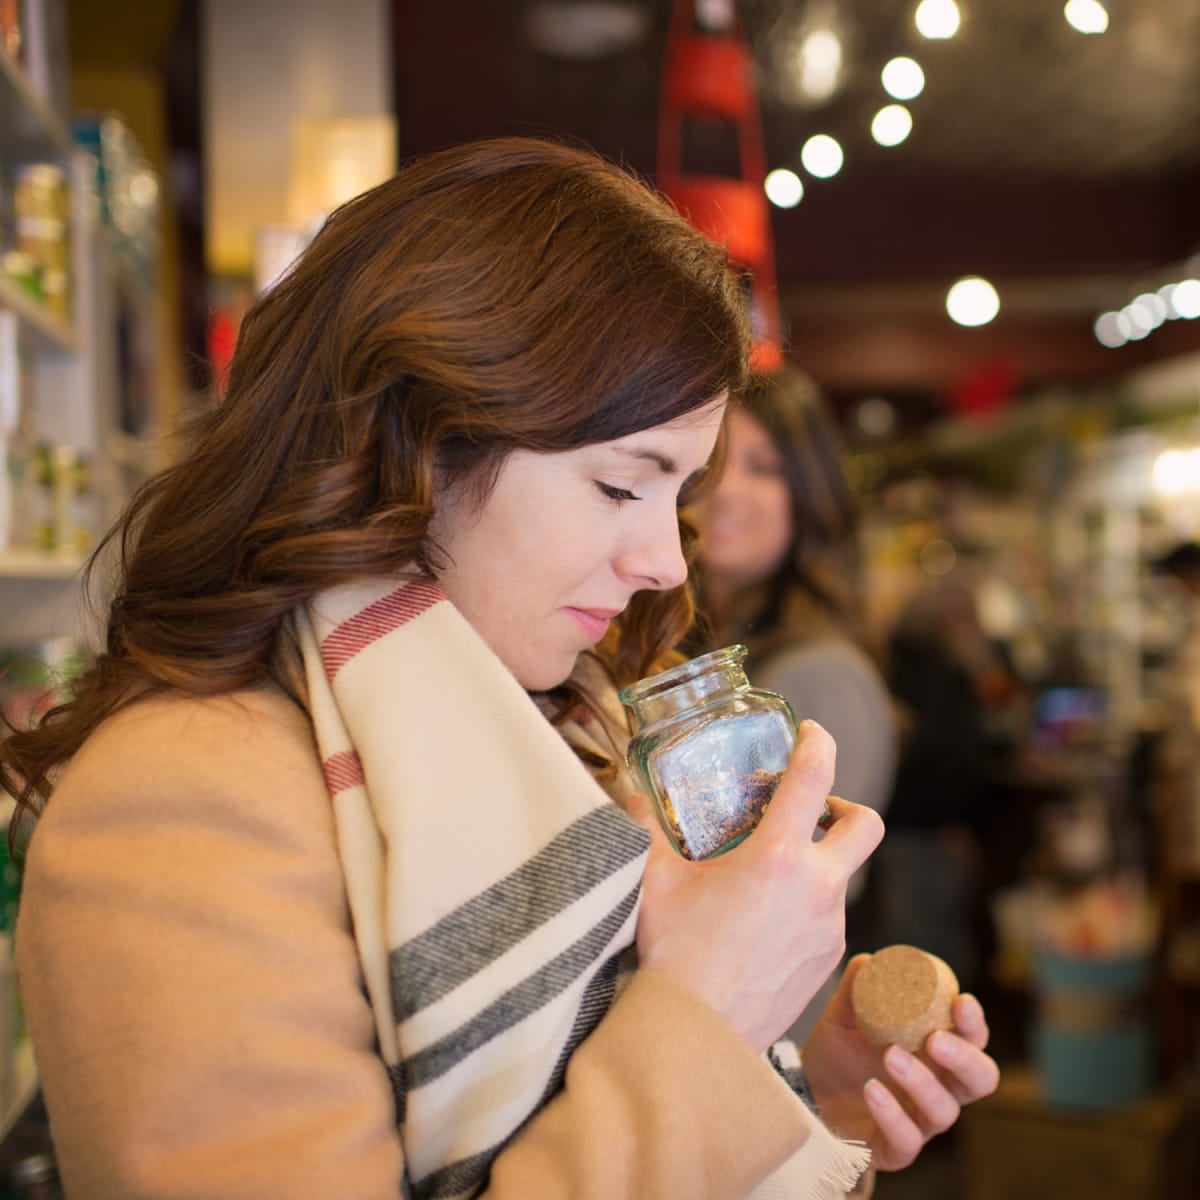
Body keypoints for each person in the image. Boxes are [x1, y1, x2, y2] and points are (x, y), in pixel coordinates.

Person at [1, 137, 997, 1200]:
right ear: (417, 441)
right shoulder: (181, 803)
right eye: (622, 486)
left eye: (679, 496)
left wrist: (801, 1107)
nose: (667, 562)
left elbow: (591, 1104)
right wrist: (710, 1017)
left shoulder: (568, 727)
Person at [693, 366, 898, 1041]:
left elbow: (774, 907)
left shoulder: (818, 675)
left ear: (809, 493)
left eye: (764, 467)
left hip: (760, 1042)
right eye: (710, 461)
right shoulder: (706, 656)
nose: (725, 488)